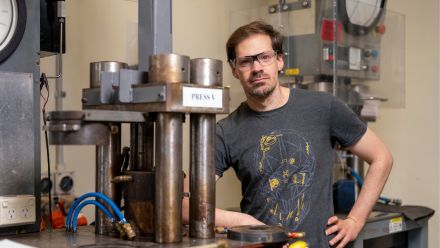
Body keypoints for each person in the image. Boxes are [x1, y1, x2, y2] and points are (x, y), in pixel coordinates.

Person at [183, 21, 392, 247]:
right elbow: (185, 206)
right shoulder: (226, 131)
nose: (257, 68)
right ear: (234, 69)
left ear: (279, 60)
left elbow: (382, 157)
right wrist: (244, 222)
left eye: (264, 57)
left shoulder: (324, 107)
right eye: (245, 61)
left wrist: (355, 220)